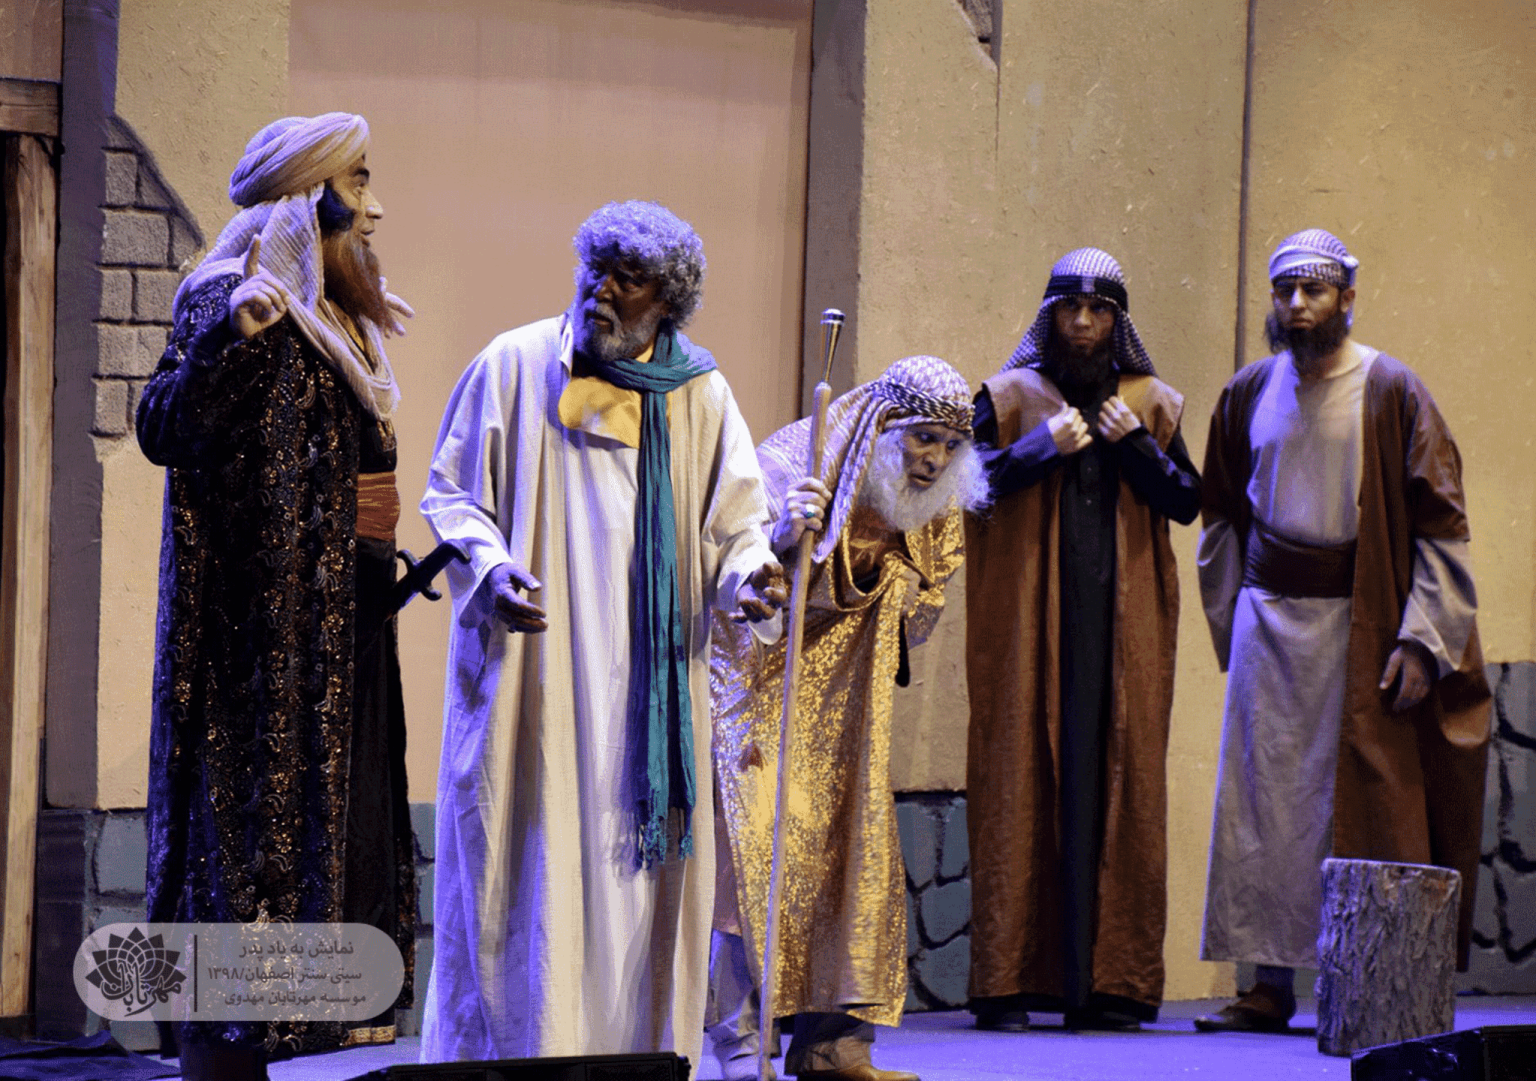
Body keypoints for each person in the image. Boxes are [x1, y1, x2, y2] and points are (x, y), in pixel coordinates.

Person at [418, 201, 787, 1065]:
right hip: (536, 681)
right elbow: (453, 495)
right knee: (521, 882)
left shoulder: (699, 394)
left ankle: (632, 1064)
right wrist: (491, 567)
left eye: (629, 278)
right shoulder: (514, 365)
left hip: (647, 700)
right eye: (597, 268)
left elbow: (737, 524)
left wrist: (751, 577)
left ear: (668, 303)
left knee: (636, 906)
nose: (602, 289)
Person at [137, 112, 416, 1080]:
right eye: (357, 182)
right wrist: (224, 338)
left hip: (341, 639)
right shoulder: (232, 295)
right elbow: (161, 422)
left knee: (325, 862)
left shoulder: (337, 324)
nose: (374, 209)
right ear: (306, 197)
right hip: (253, 660)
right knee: (239, 856)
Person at [1193, 229, 1490, 1032]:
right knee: (1262, 804)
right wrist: (1231, 622)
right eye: (1285, 290)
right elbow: (1221, 514)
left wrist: (1422, 638)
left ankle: (1364, 982)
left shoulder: (1392, 389)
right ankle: (1266, 984)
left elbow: (1442, 527)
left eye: (1314, 290)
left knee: (1358, 800)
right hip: (1266, 623)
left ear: (1346, 298)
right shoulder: (1248, 391)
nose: (1297, 305)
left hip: (1362, 624)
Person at [709, 356, 990, 1081]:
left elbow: (921, 614)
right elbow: (733, 579)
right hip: (763, 686)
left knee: (851, 860)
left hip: (850, 702)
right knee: (755, 854)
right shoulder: (791, 464)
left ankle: (833, 1045)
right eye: (922, 438)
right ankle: (741, 1040)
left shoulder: (934, 506)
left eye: (950, 445)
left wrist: (890, 576)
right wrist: (783, 537)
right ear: (882, 426)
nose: (935, 460)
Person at [964, 248, 1200, 1032]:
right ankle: (1007, 982)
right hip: (1026, 633)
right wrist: (1039, 449)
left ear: (1118, 322)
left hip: (1120, 638)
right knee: (1019, 781)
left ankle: (1111, 986)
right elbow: (962, 485)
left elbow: (1188, 501)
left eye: (1100, 310)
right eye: (1071, 308)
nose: (1085, 323)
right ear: (1050, 316)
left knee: (1117, 786)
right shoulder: (1007, 399)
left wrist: (1135, 444)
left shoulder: (1151, 404)